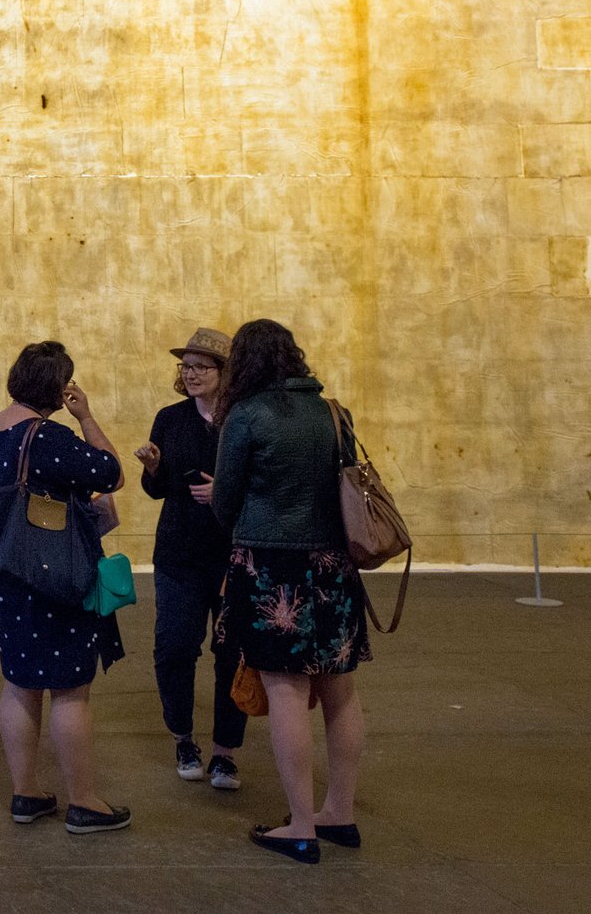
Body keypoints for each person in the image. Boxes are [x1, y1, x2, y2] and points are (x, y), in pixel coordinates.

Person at [211, 319, 370, 865]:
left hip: (271, 567)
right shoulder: (334, 413)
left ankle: (300, 825)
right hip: (335, 566)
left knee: (284, 691)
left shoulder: (247, 416)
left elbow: (226, 500)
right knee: (340, 692)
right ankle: (339, 813)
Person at [0, 341, 131, 834]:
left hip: (8, 574)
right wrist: (86, 417)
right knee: (69, 690)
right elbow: (113, 472)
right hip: (57, 577)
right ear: (60, 389)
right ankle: (83, 802)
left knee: (20, 683)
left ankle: (25, 794)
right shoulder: (48, 437)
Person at [134, 327, 246, 790]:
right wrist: (154, 469)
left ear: (225, 372)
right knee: (175, 646)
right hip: (179, 551)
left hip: (234, 554)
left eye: (202, 366)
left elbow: (258, 484)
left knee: (231, 653)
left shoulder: (243, 420)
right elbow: (156, 491)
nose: (192, 374)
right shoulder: (170, 418)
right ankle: (183, 737)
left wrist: (224, 492)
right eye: (187, 366)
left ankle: (224, 752)